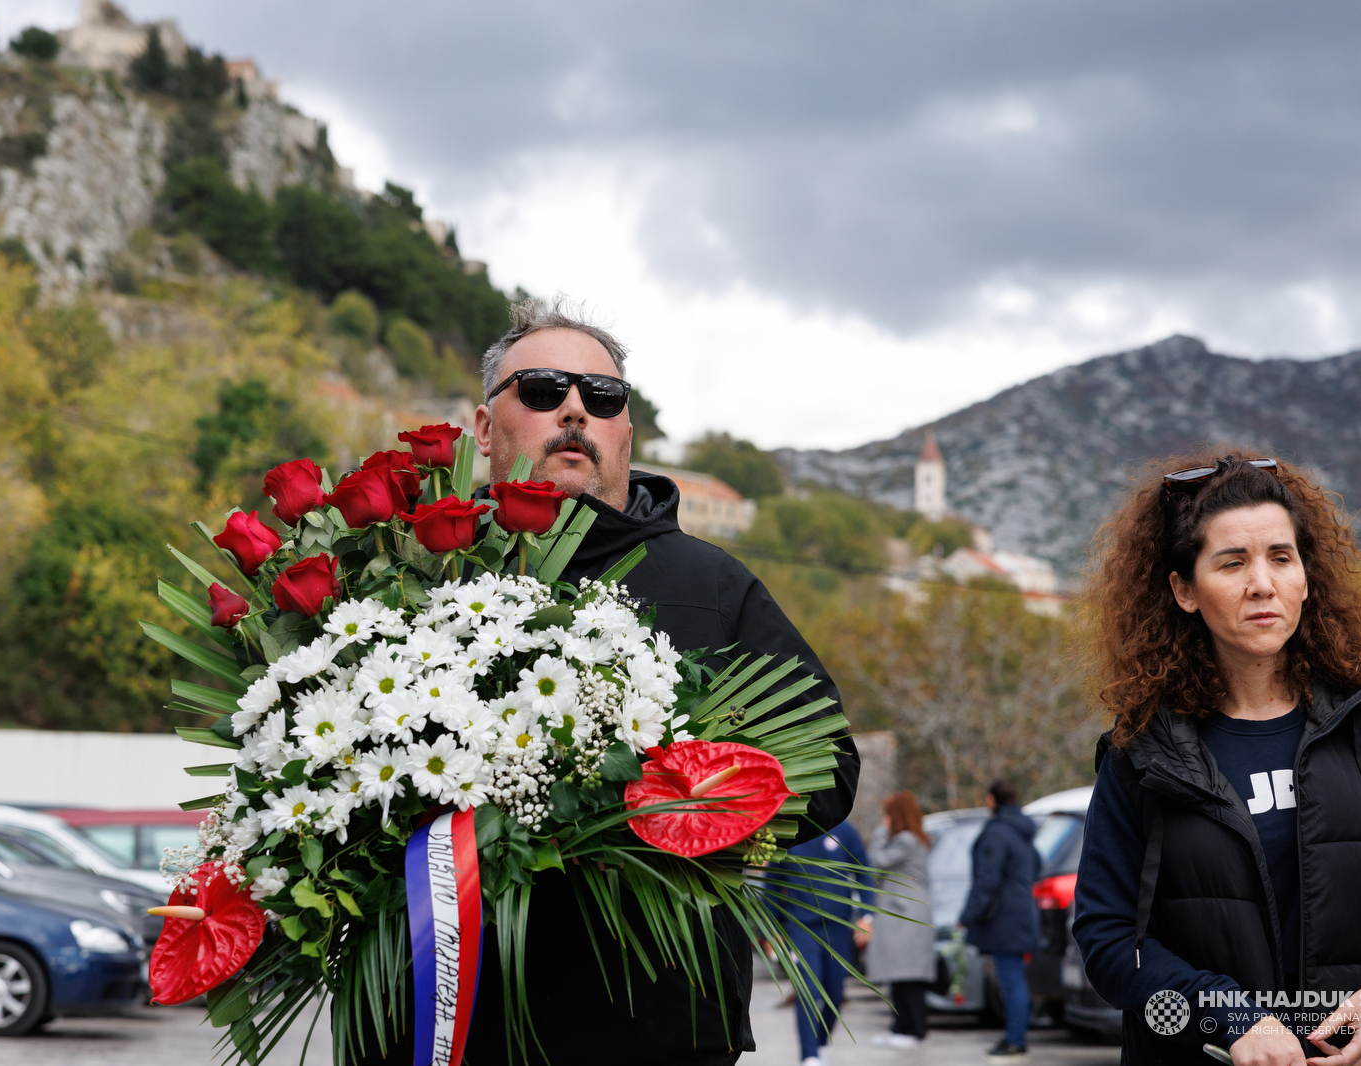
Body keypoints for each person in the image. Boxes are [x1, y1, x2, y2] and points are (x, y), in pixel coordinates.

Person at [351, 298, 860, 1065]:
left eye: (602, 396)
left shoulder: (713, 586)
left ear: (627, 431)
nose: (574, 410)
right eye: (543, 389)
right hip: (441, 1023)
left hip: (659, 1024)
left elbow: (827, 766)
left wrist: (675, 812)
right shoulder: (408, 582)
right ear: (485, 428)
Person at [1070, 452, 1361, 1066]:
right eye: (1232, 562)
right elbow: (1109, 938)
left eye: (1281, 557)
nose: (1262, 583)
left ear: (1306, 576)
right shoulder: (1141, 752)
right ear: (1184, 590)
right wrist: (1229, 1019)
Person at [770, 820, 872, 1066]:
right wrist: (771, 930)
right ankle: (809, 1056)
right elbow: (771, 883)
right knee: (807, 990)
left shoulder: (845, 830)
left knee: (835, 995)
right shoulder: (789, 829)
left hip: (838, 926)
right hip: (801, 927)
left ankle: (820, 1044)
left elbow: (864, 872)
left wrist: (868, 917)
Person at [959, 778, 1040, 1062]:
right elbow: (1037, 865)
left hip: (1004, 919)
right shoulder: (1023, 831)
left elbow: (986, 879)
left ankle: (1015, 1040)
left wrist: (967, 916)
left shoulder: (997, 833)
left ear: (991, 800)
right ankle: (1014, 1036)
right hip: (1023, 912)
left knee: (1011, 980)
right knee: (1013, 978)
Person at [859, 790, 936, 1050]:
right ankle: (899, 1027)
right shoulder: (913, 838)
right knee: (899, 973)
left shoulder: (905, 840)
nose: (885, 819)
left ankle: (914, 1030)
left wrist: (880, 833)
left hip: (907, 914)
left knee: (909, 975)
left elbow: (876, 861)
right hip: (904, 913)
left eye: (888, 814)